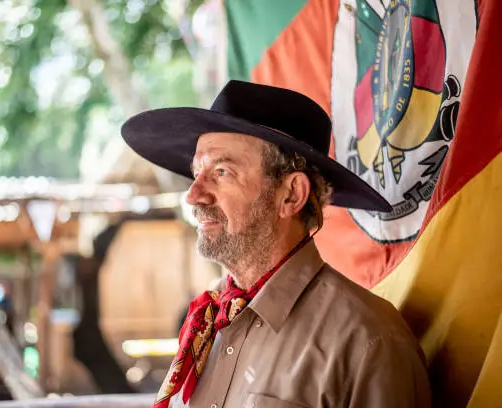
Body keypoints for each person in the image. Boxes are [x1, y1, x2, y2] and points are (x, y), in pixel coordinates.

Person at [121, 81, 430, 407]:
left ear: (292, 194)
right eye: (197, 172)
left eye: (222, 171)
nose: (194, 195)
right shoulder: (210, 323)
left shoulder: (366, 342)